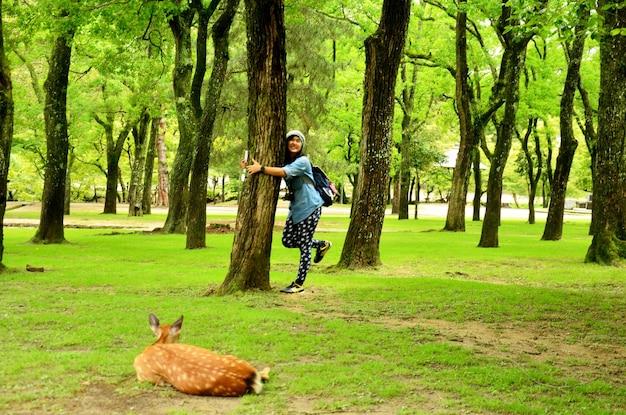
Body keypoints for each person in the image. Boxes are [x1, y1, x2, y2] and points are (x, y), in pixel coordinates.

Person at [241, 130, 332, 293]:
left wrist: (261, 168)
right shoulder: (285, 161)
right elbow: (276, 169)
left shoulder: (303, 161)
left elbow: (282, 172)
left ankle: (299, 283)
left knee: (304, 244)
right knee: (287, 240)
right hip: (296, 209)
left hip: (310, 206)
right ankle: (321, 244)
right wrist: (248, 167)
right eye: (291, 140)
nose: (294, 143)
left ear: (302, 144)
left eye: (298, 140)